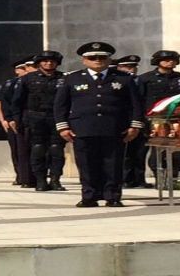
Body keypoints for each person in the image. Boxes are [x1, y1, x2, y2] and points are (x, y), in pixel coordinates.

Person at [55, 42, 144, 208]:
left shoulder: (124, 78)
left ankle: (113, 196)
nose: (97, 60)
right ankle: (89, 196)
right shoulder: (71, 78)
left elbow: (136, 104)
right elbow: (61, 105)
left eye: (102, 57)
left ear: (109, 59)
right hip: (83, 128)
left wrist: (135, 125)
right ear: (84, 60)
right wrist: (63, 126)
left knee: (114, 164)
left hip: (115, 128)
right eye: (92, 57)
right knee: (86, 164)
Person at [11, 50, 67, 191]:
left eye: (52, 61)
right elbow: (17, 101)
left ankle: (55, 180)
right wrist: (17, 120)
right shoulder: (27, 79)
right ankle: (40, 180)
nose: (49, 63)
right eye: (45, 61)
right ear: (39, 63)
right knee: (38, 149)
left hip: (56, 118)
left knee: (57, 149)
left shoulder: (64, 78)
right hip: (35, 118)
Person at [138, 50, 180, 187]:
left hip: (177, 119)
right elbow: (139, 100)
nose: (170, 62)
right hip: (155, 119)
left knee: (177, 149)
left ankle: (173, 177)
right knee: (157, 148)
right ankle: (159, 177)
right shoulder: (145, 79)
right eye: (166, 60)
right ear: (157, 61)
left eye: (173, 59)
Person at [0, 58, 30, 186]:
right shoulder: (10, 84)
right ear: (17, 70)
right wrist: (3, 120)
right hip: (13, 122)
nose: (26, 70)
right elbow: (0, 103)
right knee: (17, 150)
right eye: (23, 68)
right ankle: (20, 176)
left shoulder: (35, 81)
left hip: (31, 120)